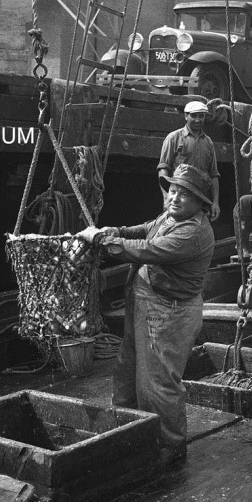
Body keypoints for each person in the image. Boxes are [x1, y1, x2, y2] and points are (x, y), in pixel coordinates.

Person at [78, 163, 215, 466]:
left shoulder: (193, 232)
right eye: (173, 190)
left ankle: (170, 445)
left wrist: (101, 240)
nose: (174, 198)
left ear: (200, 203)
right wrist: (117, 232)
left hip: (168, 312)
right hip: (144, 300)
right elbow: (145, 229)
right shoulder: (171, 216)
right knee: (127, 369)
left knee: (156, 382)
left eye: (184, 194)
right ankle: (127, 430)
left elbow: (145, 250)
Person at [158, 100, 221, 221]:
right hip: (179, 197)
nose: (198, 120)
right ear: (186, 116)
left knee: (198, 228)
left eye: (201, 116)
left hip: (200, 198)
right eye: (194, 116)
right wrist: (166, 198)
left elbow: (213, 175)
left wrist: (215, 203)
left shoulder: (208, 142)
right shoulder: (173, 138)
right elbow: (163, 170)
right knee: (174, 228)